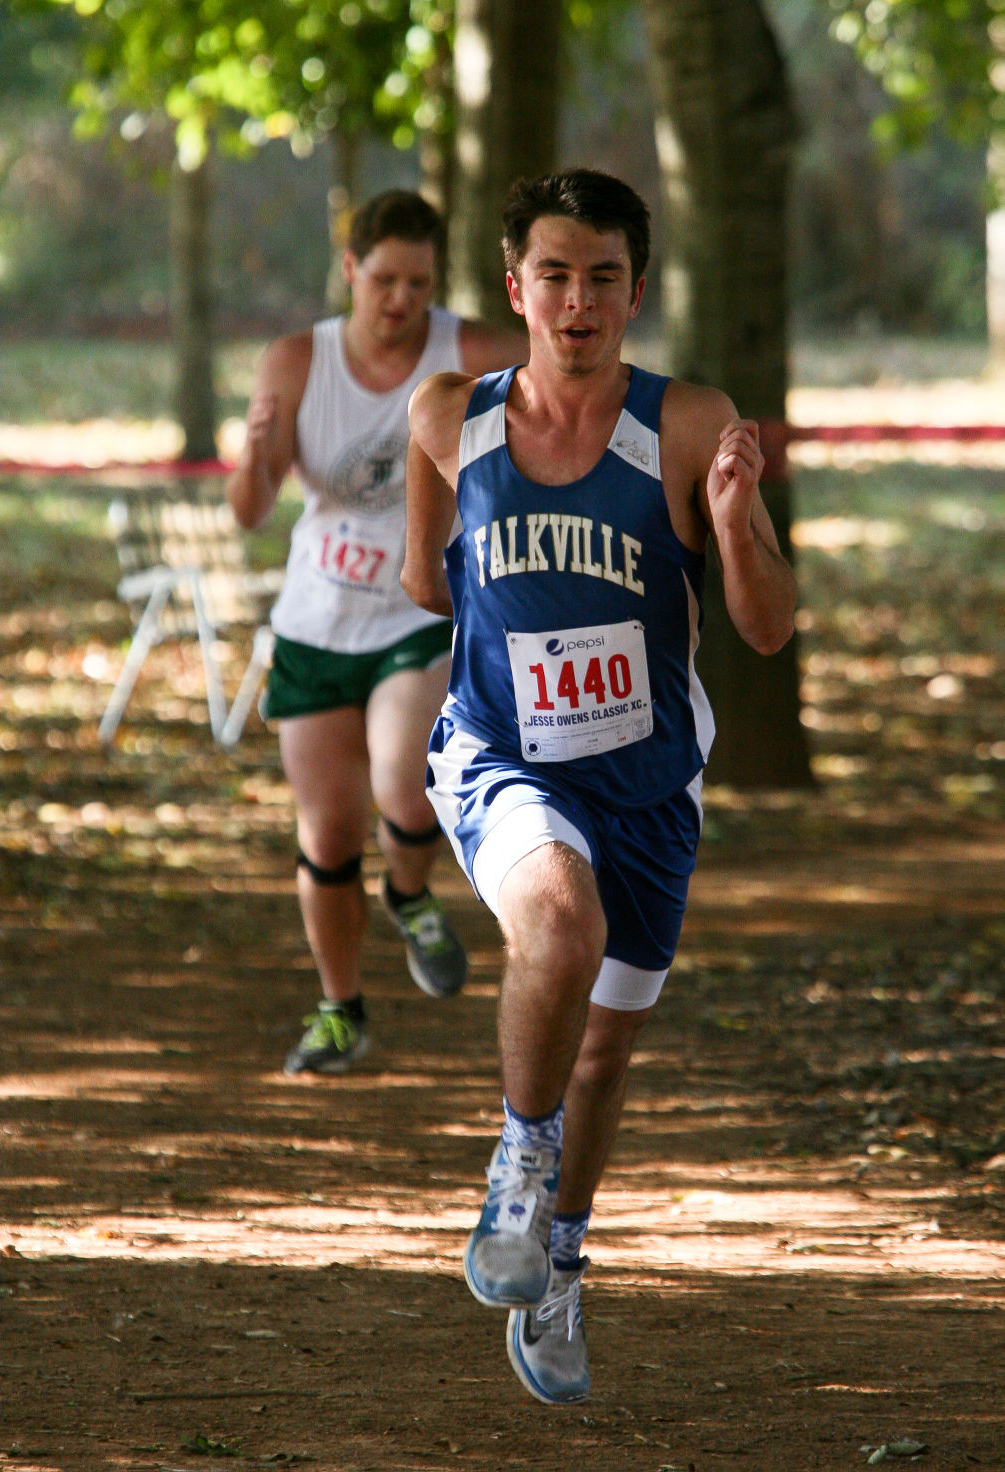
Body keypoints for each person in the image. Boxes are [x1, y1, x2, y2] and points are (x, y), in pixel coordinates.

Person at [403, 169, 797, 1405]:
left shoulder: (686, 423)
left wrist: (731, 523)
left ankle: (559, 1259)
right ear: (516, 289)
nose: (578, 302)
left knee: (603, 1059)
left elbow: (770, 628)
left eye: (604, 278)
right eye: (555, 276)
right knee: (556, 927)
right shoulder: (444, 419)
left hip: (646, 781)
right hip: (501, 754)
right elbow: (428, 583)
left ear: (637, 289)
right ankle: (516, 1170)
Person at [226, 189, 523, 1077]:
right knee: (325, 835)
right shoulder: (295, 360)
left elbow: (567, 370)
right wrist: (253, 453)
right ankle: (339, 1010)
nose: (401, 300)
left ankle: (408, 890)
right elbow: (248, 512)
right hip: (315, 620)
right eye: (384, 279)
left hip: (416, 610)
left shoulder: (461, 348)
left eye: (418, 283)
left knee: (404, 778)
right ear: (349, 269)